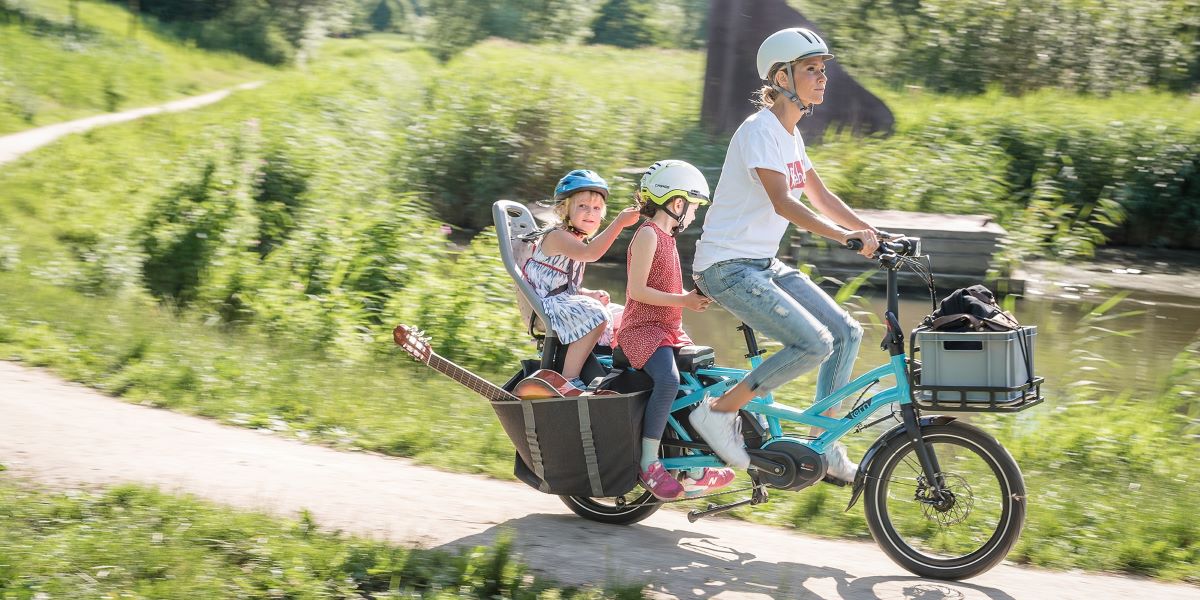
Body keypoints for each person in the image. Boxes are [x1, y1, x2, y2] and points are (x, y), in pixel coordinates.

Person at [686, 27, 883, 484]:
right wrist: (842, 238)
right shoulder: (759, 131)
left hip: (761, 263)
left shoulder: (790, 135)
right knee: (813, 343)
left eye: (822, 69)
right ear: (781, 77)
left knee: (847, 332)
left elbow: (819, 194)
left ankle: (825, 444)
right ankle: (717, 412)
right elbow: (785, 203)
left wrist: (871, 231)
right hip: (727, 266)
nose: (822, 77)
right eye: (811, 69)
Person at [615, 160, 736, 500]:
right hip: (642, 330)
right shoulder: (648, 235)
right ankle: (649, 462)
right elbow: (637, 291)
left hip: (667, 330)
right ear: (676, 202)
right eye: (693, 207)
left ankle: (695, 467)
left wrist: (691, 298)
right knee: (668, 380)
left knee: (698, 383)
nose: (694, 215)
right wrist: (683, 301)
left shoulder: (666, 237)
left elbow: (668, 289)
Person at [524, 169, 640, 389]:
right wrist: (619, 223)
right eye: (582, 206)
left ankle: (616, 369)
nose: (591, 213)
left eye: (597, 208)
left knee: (623, 314)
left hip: (557, 301)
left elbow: (560, 283)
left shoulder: (574, 238)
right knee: (596, 314)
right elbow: (591, 254)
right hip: (545, 307)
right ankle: (568, 380)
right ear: (563, 209)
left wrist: (587, 293)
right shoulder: (558, 236)